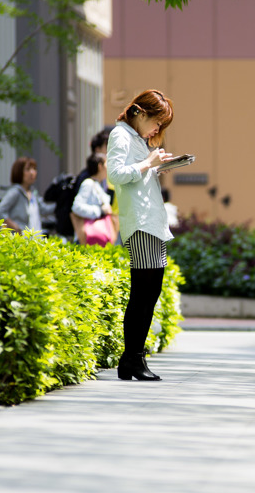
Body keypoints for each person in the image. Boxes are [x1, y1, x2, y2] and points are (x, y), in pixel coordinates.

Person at [106, 89, 177, 381]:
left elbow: (133, 175)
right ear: (140, 113)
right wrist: (147, 163)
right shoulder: (120, 135)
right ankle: (132, 359)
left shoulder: (135, 138)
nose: (157, 128)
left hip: (151, 221)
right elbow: (115, 174)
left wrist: (155, 166)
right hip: (141, 222)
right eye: (156, 121)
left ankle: (133, 358)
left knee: (150, 291)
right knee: (143, 292)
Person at [0, 157, 55, 235]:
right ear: (19, 172)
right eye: (28, 169)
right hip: (20, 241)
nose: (32, 173)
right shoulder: (15, 192)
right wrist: (16, 227)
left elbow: (44, 209)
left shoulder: (33, 192)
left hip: (34, 239)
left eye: (34, 169)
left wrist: (63, 203)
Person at [71, 153, 116, 246]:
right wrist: (100, 211)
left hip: (93, 238)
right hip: (86, 238)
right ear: (100, 166)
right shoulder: (88, 183)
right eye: (107, 163)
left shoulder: (97, 185)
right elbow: (76, 207)